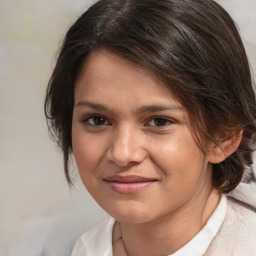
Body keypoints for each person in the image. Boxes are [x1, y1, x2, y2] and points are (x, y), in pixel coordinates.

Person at [44, 0, 256, 255]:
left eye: (159, 121)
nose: (122, 153)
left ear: (224, 136)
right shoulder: (87, 248)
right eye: (97, 120)